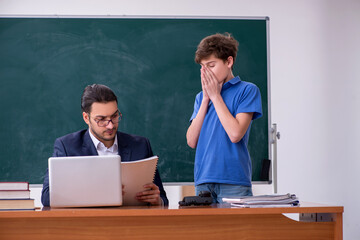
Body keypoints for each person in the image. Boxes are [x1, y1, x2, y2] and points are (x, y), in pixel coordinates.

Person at [41, 84, 168, 206]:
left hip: (131, 223)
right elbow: (47, 197)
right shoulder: (67, 147)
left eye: (114, 116)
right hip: (88, 224)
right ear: (86, 118)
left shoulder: (140, 146)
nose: (111, 125)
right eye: (101, 119)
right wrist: (99, 193)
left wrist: (158, 201)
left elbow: (162, 199)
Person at [186, 33, 263, 203]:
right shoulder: (201, 98)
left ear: (229, 62)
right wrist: (206, 99)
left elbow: (235, 134)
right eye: (203, 67)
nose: (207, 72)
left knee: (236, 230)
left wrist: (215, 97)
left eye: (211, 65)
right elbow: (191, 141)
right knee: (207, 231)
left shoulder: (247, 91)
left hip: (233, 181)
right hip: (203, 181)